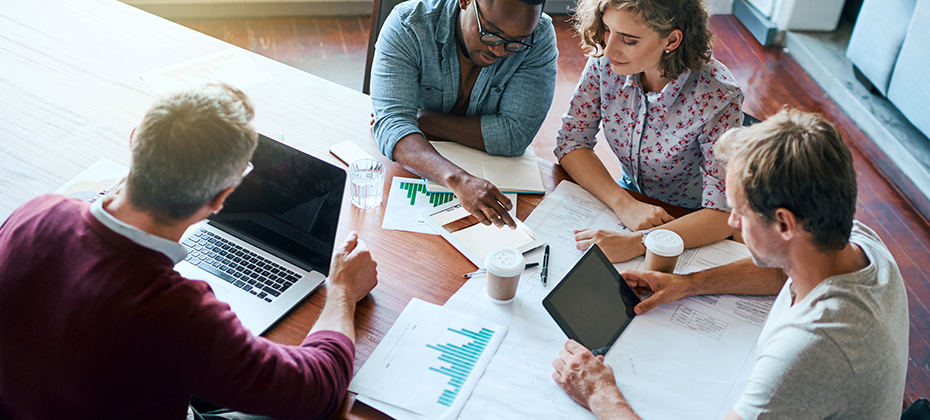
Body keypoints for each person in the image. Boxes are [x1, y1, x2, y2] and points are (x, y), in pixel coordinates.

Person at [0, 83, 378, 420]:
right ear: (222, 198)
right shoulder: (178, 314)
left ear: (134, 141)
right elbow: (316, 390)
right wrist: (342, 292)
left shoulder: (36, 212)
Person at [552, 108, 909, 419]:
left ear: (784, 223)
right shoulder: (858, 242)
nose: (732, 222)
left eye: (740, 211)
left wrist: (600, 394)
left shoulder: (812, 349)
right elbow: (781, 271)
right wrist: (689, 284)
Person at [557, 0, 744, 262]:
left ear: (672, 40)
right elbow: (570, 142)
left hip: (689, 220)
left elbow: (724, 213)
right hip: (628, 200)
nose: (608, 49)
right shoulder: (605, 62)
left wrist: (640, 242)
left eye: (629, 40)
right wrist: (624, 204)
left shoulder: (717, 95)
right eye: (607, 29)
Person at [370, 0, 558, 230]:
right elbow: (393, 127)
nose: (499, 51)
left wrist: (422, 121)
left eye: (515, 44)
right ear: (466, 1)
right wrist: (459, 180)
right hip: (410, 175)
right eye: (491, 34)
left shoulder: (538, 36)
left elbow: (515, 135)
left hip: (487, 178)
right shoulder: (408, 24)